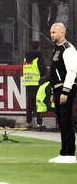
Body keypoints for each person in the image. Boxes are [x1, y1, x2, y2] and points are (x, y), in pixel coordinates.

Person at [48, 23, 77, 163]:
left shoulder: (68, 49)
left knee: (66, 121)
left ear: (62, 33)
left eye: (54, 32)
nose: (52, 34)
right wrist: (55, 92)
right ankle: (64, 152)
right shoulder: (58, 49)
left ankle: (70, 153)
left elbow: (72, 72)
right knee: (61, 121)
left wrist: (65, 92)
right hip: (59, 89)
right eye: (51, 32)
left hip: (66, 89)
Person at [23, 40, 46, 130]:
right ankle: (39, 123)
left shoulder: (25, 58)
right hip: (38, 83)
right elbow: (43, 70)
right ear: (38, 47)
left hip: (28, 83)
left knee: (30, 103)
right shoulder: (38, 57)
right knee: (39, 102)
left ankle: (28, 122)